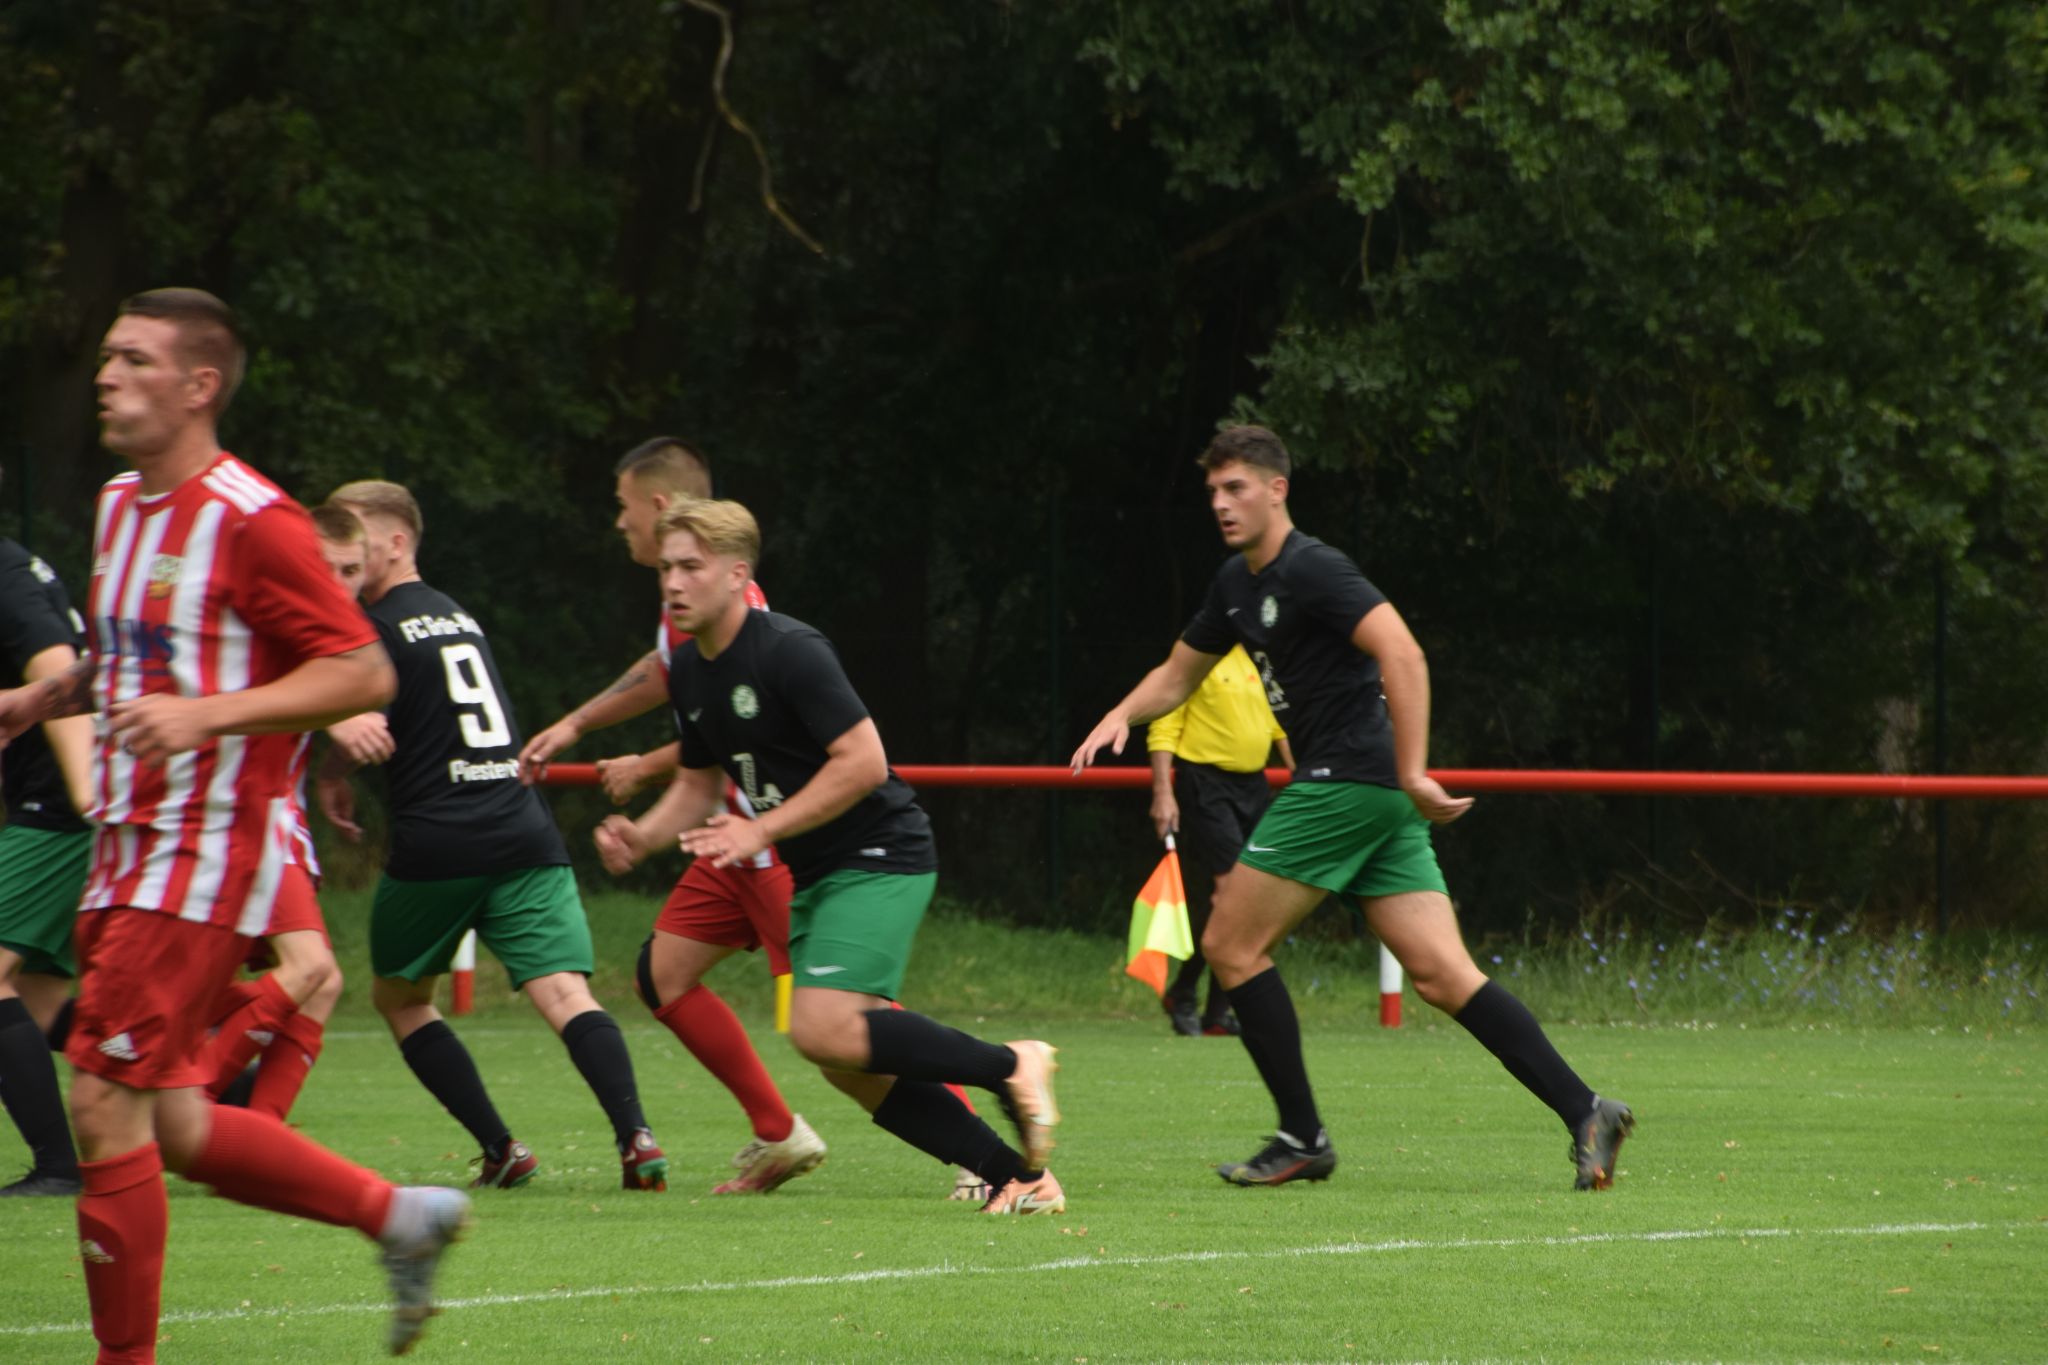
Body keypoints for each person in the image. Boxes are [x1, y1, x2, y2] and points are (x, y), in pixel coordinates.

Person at [0, 287, 467, 1361]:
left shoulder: (252, 518)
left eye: (135, 359)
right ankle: (398, 1216)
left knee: (103, 1105)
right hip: (125, 847)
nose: (107, 376)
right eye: (107, 356)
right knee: (177, 1123)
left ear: (199, 385)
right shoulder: (121, 503)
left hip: (201, 850)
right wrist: (44, 696)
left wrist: (207, 716)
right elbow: (140, 656)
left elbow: (363, 670)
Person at [1072, 424, 1634, 1191]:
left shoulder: (1314, 567)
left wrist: (1413, 769)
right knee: (1442, 974)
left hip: (1347, 781)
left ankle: (1302, 1135)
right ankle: (1587, 1108)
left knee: (1230, 942)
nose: (1221, 503)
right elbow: (1177, 675)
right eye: (1212, 491)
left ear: (1277, 489)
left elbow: (1403, 652)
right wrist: (1119, 715)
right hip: (1373, 794)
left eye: (1236, 488)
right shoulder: (1235, 583)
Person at [603, 498, 1065, 1213]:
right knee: (844, 1062)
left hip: (880, 850)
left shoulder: (790, 649)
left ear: (737, 573)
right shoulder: (691, 670)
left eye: (690, 566)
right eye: (666, 568)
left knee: (821, 1027)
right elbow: (697, 784)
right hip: (819, 871)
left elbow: (865, 762)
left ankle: (1012, 1063)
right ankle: (1017, 1174)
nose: (673, 582)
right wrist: (644, 834)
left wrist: (760, 830)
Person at [319, 478, 669, 1193]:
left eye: (354, 536)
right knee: (566, 993)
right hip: (521, 828)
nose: (339, 552)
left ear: (396, 542)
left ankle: (501, 1147)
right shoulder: (456, 615)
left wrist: (329, 760)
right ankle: (637, 1137)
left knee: (400, 999)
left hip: (438, 841)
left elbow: (353, 712)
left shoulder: (369, 628)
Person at [518, 438, 825, 1193]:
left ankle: (983, 1136)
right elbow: (670, 682)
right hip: (729, 841)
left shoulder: (730, 609)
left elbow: (736, 721)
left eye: (623, 505)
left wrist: (644, 765)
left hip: (775, 840)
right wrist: (580, 726)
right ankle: (779, 1132)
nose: (618, 521)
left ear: (659, 507)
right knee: (664, 975)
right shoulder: (686, 607)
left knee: (847, 1018)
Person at [199, 503, 368, 1118]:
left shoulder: (332, 631)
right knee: (310, 970)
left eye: (352, 571)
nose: (340, 586)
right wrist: (334, 711)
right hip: (234, 813)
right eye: (329, 568)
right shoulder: (272, 619)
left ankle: (258, 1130)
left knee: (318, 982)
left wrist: (331, 768)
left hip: (273, 818)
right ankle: (183, 1102)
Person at [0, 499, 93, 1196]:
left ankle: (60, 1168)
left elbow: (60, 666)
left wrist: (87, 790)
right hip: (54, 806)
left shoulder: (4, 573)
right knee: (40, 1002)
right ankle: (223, 1088)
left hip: (58, 811)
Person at [1146, 641, 1293, 1038]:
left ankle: (1216, 1012)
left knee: (1251, 899)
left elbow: (1278, 726)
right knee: (1230, 895)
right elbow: (1165, 725)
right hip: (1206, 782)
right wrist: (1163, 792)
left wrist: (1305, 776)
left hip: (1254, 785)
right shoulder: (1200, 653)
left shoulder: (1259, 658)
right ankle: (1183, 991)